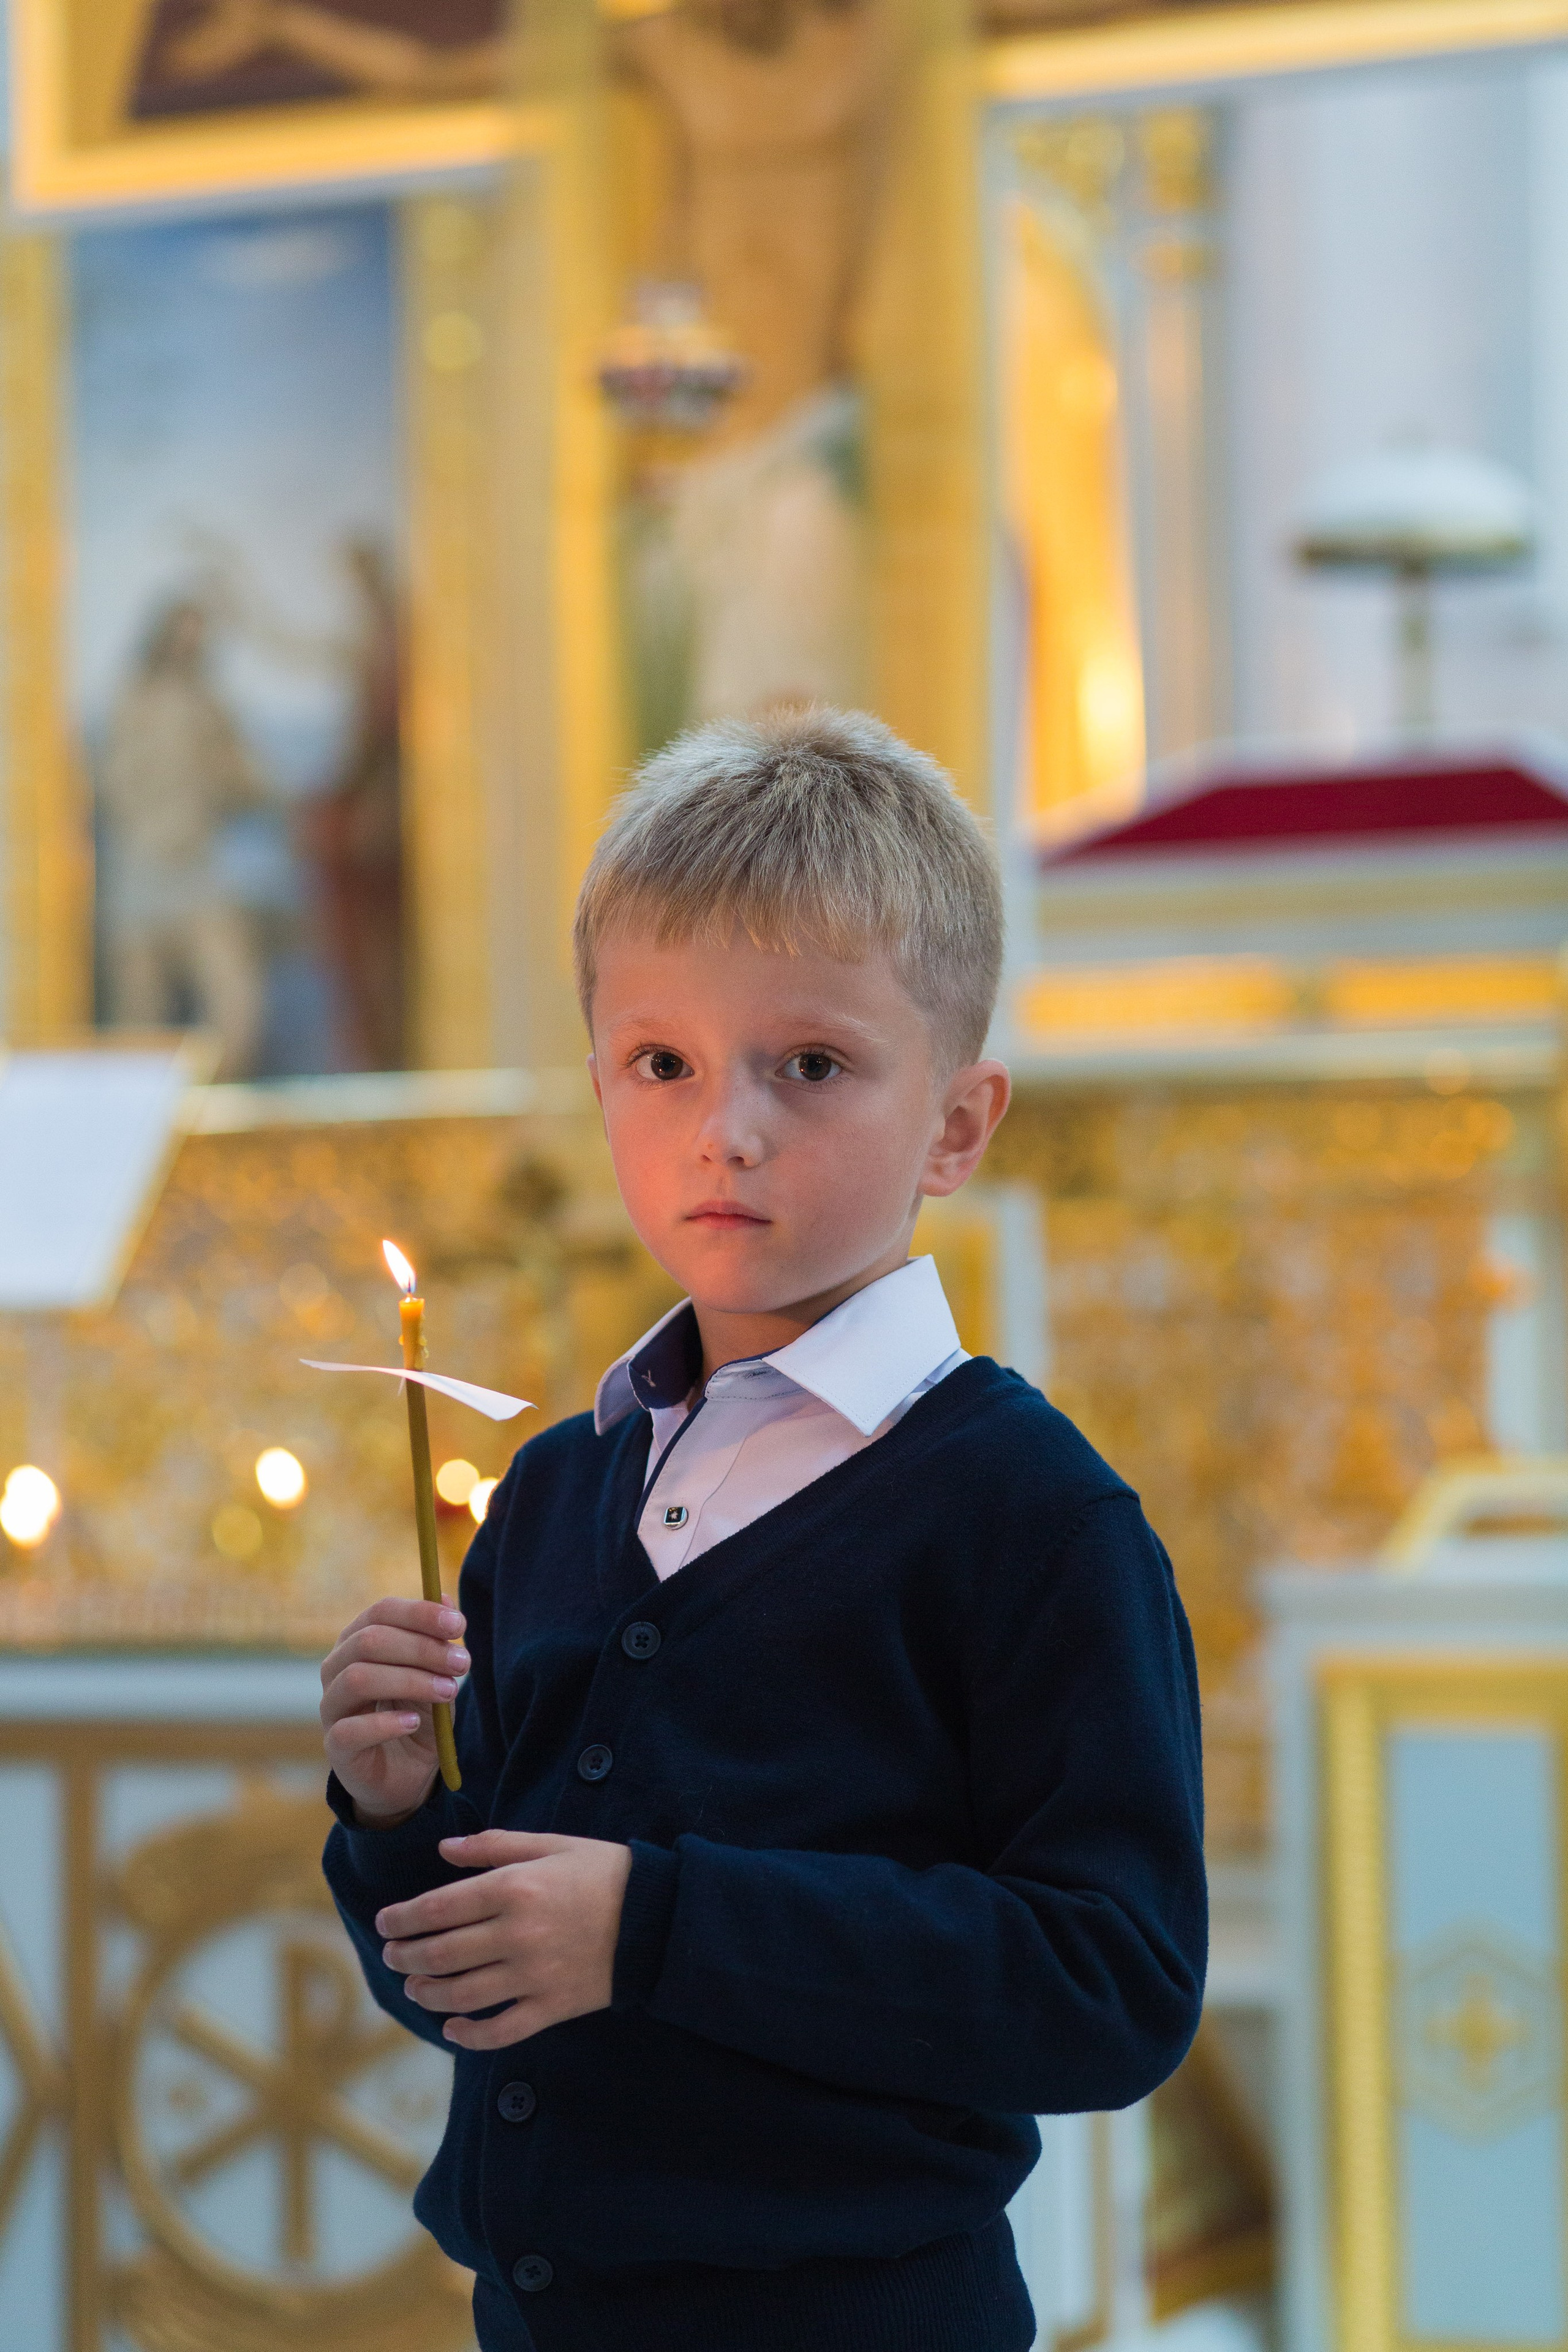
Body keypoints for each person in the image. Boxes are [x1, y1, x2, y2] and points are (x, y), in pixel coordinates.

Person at [319, 705, 1205, 2352]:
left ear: (956, 1122)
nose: (724, 1127)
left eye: (810, 1065)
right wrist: (392, 1813)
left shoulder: (1029, 1516)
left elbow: (1112, 1985)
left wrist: (652, 1927)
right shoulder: (555, 1494)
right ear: (600, 1083)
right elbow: (473, 1991)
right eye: (662, 1062)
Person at [99, 596, 273, 1079]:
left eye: (196, 636)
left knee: (234, 996)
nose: (187, 644)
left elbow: (245, 775)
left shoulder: (208, 705)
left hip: (195, 866)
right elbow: (114, 782)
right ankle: (144, 1099)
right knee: (139, 1004)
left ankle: (220, 1087)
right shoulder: (133, 700)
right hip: (141, 868)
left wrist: (242, 786)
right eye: (181, 633)